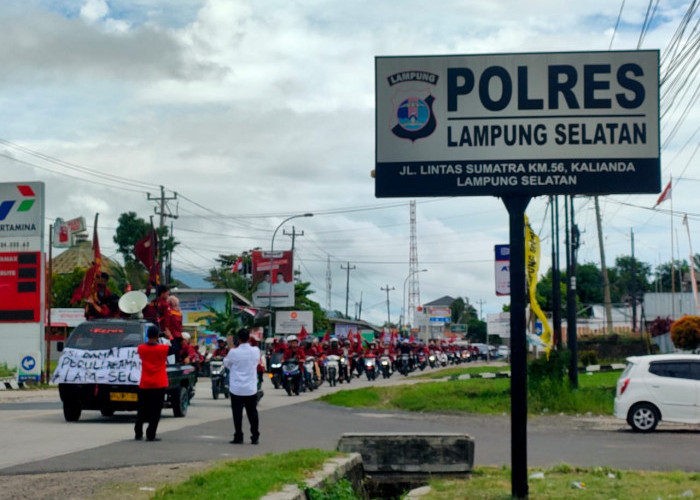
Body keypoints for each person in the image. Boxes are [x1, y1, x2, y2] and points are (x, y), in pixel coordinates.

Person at [224, 328, 261, 445]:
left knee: (237, 414)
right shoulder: (255, 350)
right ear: (249, 338)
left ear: (238, 339)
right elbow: (257, 362)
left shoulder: (233, 352)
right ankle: (255, 436)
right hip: (250, 387)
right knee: (252, 413)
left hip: (237, 388)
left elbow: (227, 363)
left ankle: (238, 436)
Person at [135, 325, 170, 442]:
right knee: (155, 411)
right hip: (159, 383)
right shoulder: (163, 349)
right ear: (157, 336)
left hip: (145, 382)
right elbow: (175, 349)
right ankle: (150, 434)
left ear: (147, 335)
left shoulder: (141, 348)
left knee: (142, 409)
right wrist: (170, 337)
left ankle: (138, 432)